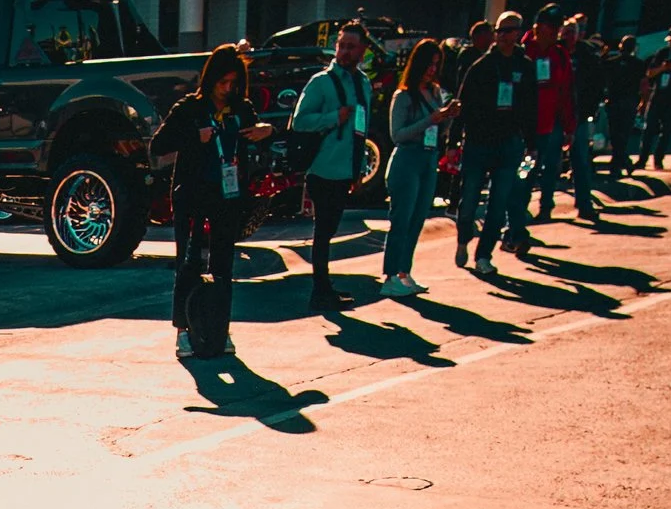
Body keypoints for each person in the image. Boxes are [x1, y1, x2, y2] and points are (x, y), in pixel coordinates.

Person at [151, 44, 274, 355]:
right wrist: (194, 138)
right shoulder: (189, 108)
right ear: (211, 79)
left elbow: (263, 138)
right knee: (188, 263)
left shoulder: (241, 109)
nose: (227, 89)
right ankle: (182, 330)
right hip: (192, 194)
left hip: (227, 196)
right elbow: (158, 145)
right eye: (223, 82)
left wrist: (267, 131)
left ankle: (220, 329)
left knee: (223, 266)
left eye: (234, 83)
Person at [287, 22, 375, 311]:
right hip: (323, 167)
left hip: (346, 169)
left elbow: (362, 129)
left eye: (351, 47)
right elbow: (299, 122)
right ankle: (320, 290)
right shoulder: (321, 82)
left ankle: (324, 287)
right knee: (323, 231)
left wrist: (359, 169)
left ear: (363, 50)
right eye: (341, 46)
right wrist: (333, 117)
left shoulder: (363, 84)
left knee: (330, 229)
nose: (345, 52)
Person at [453, 11, 533, 274]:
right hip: (479, 142)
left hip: (509, 143)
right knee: (469, 200)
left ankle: (483, 256)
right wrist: (453, 142)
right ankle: (463, 239)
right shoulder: (482, 66)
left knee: (498, 203)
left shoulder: (525, 66)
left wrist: (531, 143)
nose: (504, 36)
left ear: (518, 33)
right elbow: (462, 105)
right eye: (500, 31)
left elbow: (530, 106)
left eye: (510, 31)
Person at [382, 36, 457, 296]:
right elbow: (397, 134)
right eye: (429, 64)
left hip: (428, 158)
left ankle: (405, 272)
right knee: (401, 220)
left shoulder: (435, 92)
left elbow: (439, 131)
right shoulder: (403, 96)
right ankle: (390, 275)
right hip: (407, 159)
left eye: (436, 64)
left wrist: (448, 117)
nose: (432, 70)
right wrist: (431, 119)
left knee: (417, 220)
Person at [524, 8, 577, 225]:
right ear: (539, 27)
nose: (555, 32)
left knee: (551, 167)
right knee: (526, 169)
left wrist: (569, 127)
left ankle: (546, 206)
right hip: (527, 124)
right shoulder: (524, 50)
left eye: (558, 28)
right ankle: (518, 209)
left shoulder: (560, 55)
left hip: (552, 123)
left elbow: (567, 92)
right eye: (552, 27)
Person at [562, 15, 603, 215]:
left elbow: (596, 85)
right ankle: (544, 207)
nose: (568, 37)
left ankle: (584, 204)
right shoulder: (555, 53)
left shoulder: (587, 56)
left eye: (572, 33)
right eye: (566, 33)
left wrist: (589, 110)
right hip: (555, 115)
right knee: (545, 161)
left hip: (578, 115)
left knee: (580, 160)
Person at [639, 27, 671, 169]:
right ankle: (642, 158)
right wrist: (663, 68)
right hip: (658, 94)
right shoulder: (662, 53)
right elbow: (649, 73)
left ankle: (658, 158)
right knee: (649, 129)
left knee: (667, 130)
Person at [604, 35, 643, 178]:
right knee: (623, 135)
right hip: (629, 102)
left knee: (615, 135)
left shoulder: (611, 63)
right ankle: (622, 162)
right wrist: (643, 101)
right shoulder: (638, 64)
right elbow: (643, 84)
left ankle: (618, 164)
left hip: (614, 101)